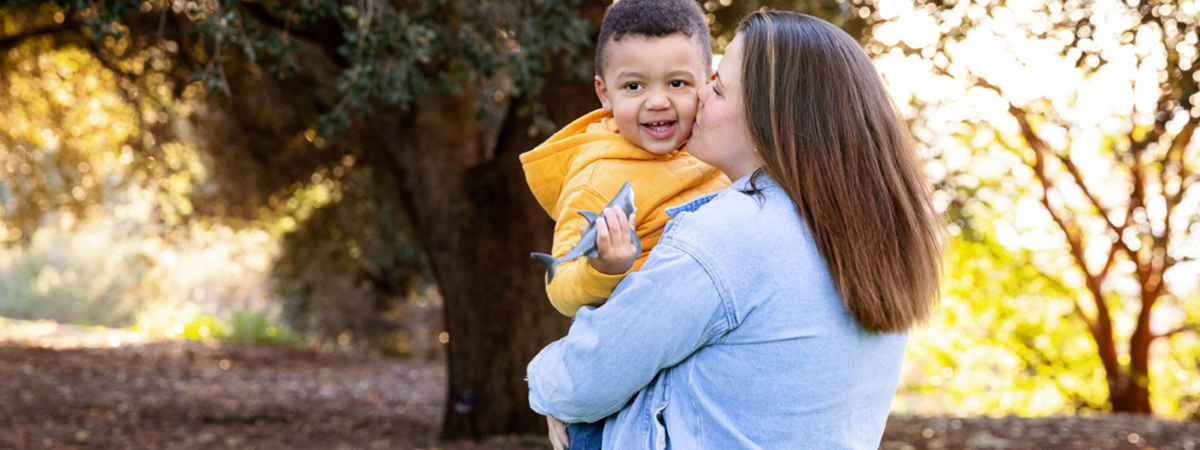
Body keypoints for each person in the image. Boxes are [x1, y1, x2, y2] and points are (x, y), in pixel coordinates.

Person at [528, 10, 944, 450]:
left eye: (719, 88)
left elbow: (585, 379)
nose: (699, 95)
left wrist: (549, 385)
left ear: (771, 118)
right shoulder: (866, 233)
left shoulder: (728, 235)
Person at [520, 1, 729, 447]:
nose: (657, 101)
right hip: (614, 390)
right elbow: (560, 286)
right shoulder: (598, 179)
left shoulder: (715, 148)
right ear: (604, 93)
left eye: (677, 83)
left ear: (708, 83)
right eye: (634, 85)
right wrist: (604, 268)